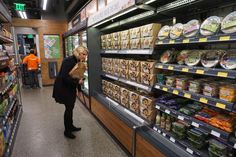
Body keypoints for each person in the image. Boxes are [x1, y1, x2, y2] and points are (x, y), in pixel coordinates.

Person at [52, 46, 88, 139]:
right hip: (64, 88)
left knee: (70, 107)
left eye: (86, 54)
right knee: (68, 108)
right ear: (78, 53)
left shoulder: (78, 62)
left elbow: (78, 76)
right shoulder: (68, 61)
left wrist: (79, 89)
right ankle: (67, 131)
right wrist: (77, 82)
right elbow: (64, 78)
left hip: (70, 87)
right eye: (83, 54)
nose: (85, 56)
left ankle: (71, 126)